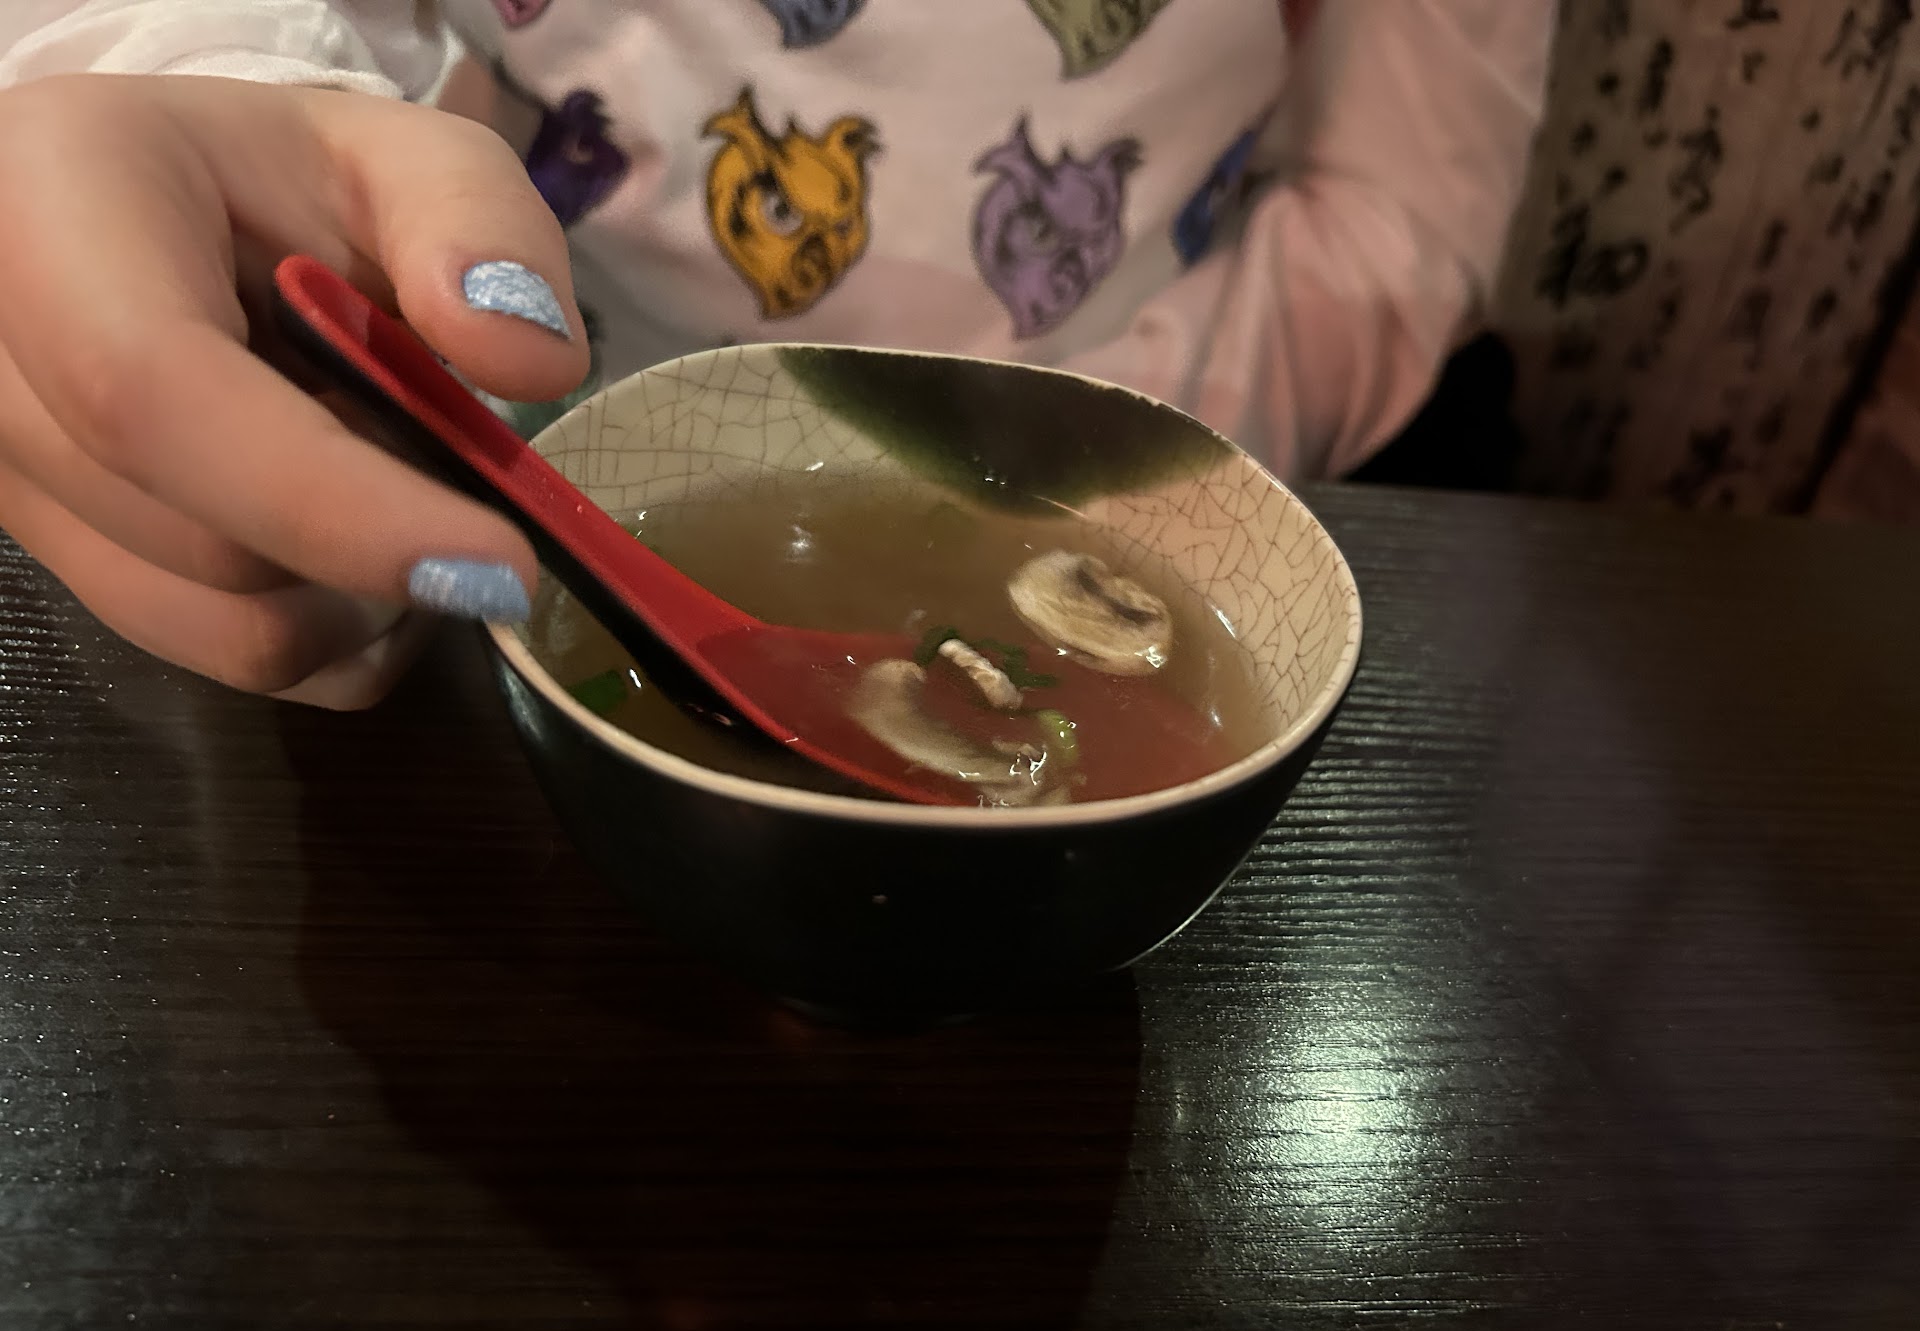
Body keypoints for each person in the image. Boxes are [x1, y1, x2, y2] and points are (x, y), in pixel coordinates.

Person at [0, 0, 1553, 710]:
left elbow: (1394, 210)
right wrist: (175, 82)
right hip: (530, 457)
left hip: (1139, 465)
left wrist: (1101, 476)